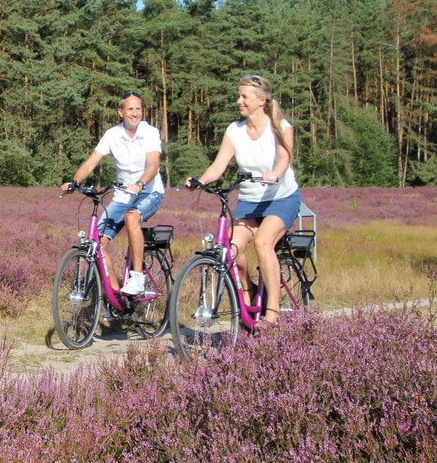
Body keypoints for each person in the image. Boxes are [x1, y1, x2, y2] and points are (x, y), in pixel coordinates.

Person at [186, 74, 301, 324]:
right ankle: (248, 293)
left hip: (281, 197)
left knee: (262, 243)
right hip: (249, 201)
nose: (239, 101)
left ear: (262, 101)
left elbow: (284, 159)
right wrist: (200, 181)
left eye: (244, 96)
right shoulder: (235, 130)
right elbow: (219, 165)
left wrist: (276, 174)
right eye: (238, 96)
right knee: (232, 251)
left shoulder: (280, 127)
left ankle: (272, 312)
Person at [61, 91, 164, 296]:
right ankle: (114, 296)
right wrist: (74, 182)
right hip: (122, 196)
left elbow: (153, 165)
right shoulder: (112, 135)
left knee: (132, 217)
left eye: (138, 109)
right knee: (97, 244)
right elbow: (91, 162)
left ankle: (137, 278)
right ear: (120, 112)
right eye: (130, 109)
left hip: (149, 192)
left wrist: (140, 183)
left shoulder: (150, 132)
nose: (135, 113)